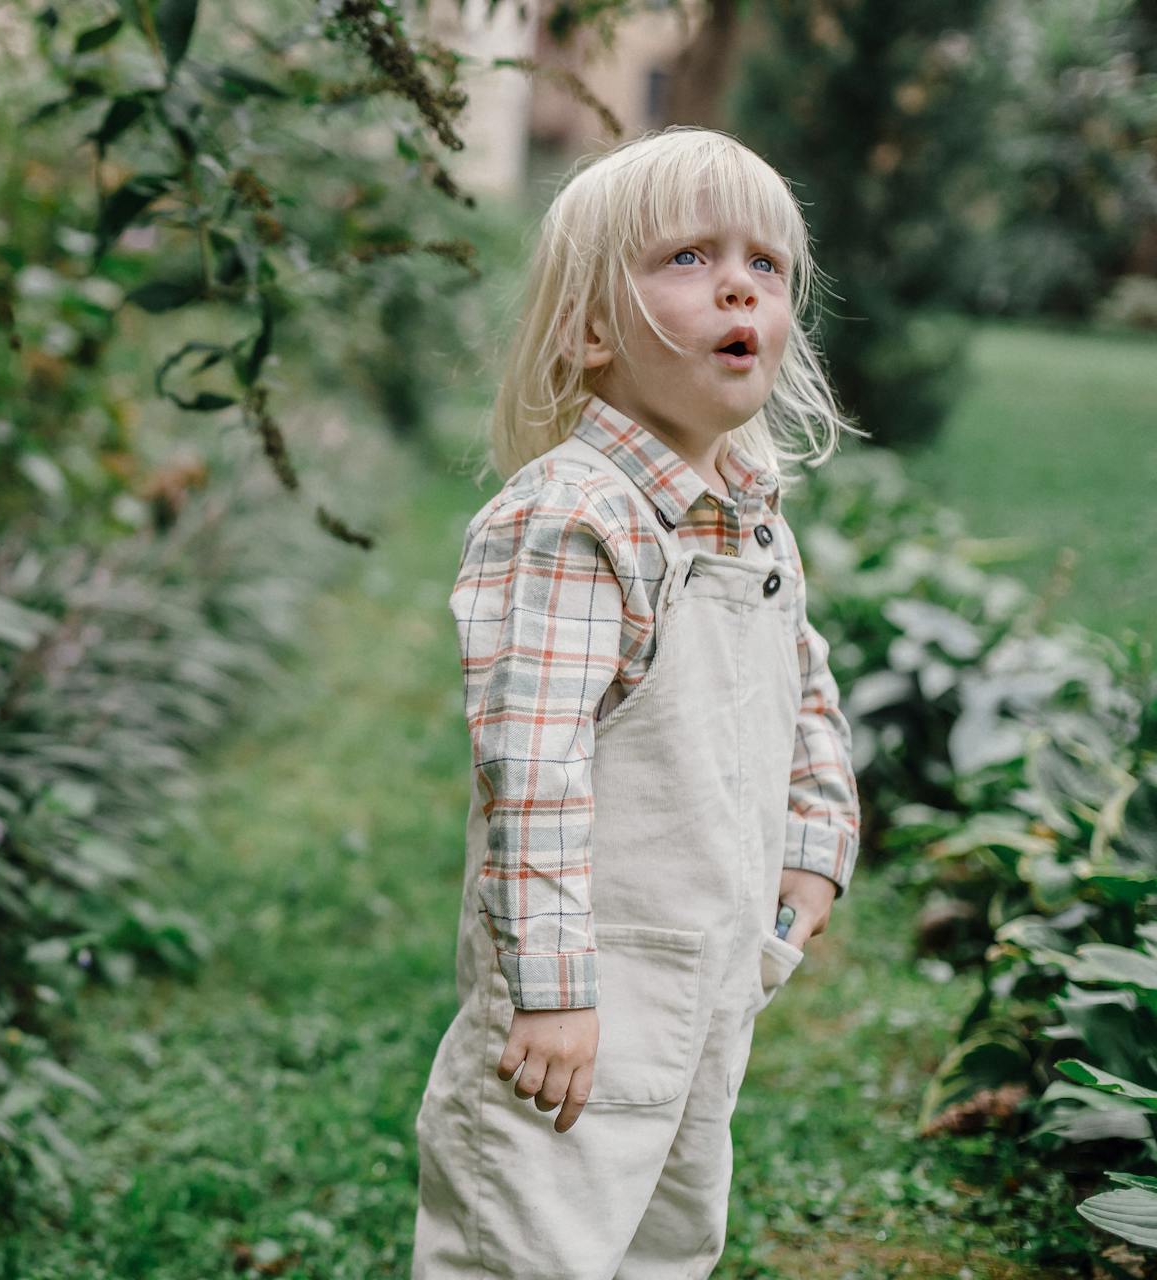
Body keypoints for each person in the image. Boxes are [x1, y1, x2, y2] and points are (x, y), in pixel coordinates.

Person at [412, 125, 867, 1279]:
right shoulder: (572, 517)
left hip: (710, 977)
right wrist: (553, 993)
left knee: (670, 1242)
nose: (736, 283)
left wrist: (815, 843)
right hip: (581, 1003)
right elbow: (535, 760)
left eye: (767, 265)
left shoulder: (751, 509)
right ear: (593, 330)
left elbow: (799, 685)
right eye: (687, 258)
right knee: (528, 1246)